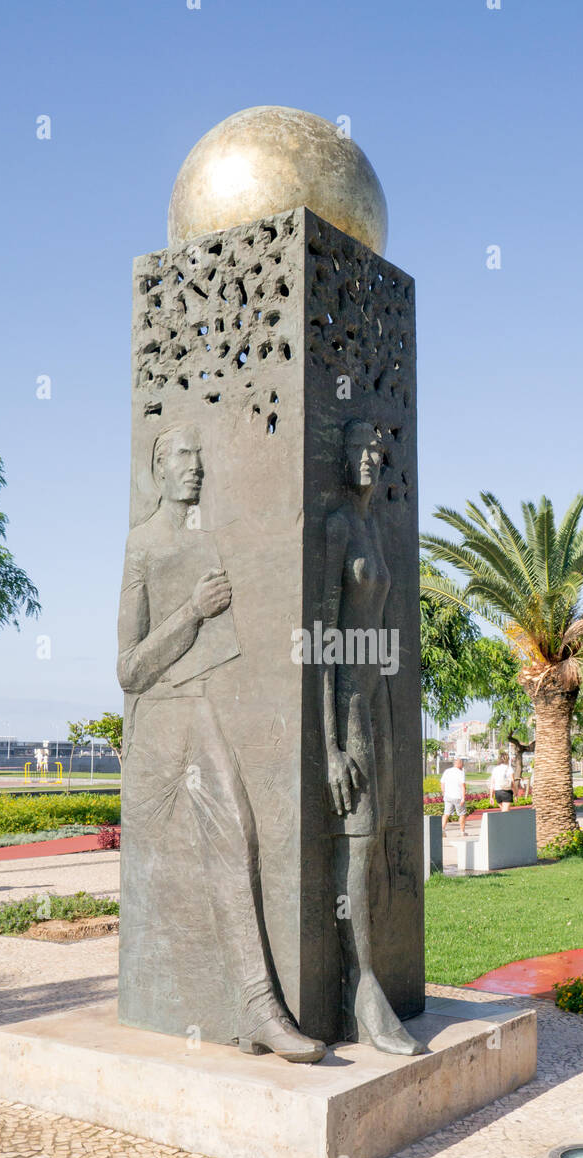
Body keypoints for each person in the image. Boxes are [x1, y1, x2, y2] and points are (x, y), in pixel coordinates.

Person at [118, 422, 325, 1063]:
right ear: (159, 467)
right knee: (230, 841)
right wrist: (192, 612)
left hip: (199, 709)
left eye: (201, 455)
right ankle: (254, 1009)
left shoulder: (209, 538)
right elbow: (128, 668)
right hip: (161, 720)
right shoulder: (144, 546)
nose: (197, 466)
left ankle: (258, 1011)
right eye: (184, 454)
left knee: (238, 839)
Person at [321, 420, 425, 1057]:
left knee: (376, 836)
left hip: (379, 699)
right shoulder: (336, 530)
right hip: (346, 699)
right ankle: (360, 988)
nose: (368, 459)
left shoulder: (375, 531)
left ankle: (370, 981)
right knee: (355, 847)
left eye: (376, 452)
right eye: (358, 449)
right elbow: (320, 642)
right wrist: (329, 746)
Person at [440, 757, 467, 837]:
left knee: (446, 813)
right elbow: (463, 786)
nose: (462, 765)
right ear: (459, 764)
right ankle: (462, 832)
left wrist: (444, 793)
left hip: (448, 796)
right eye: (462, 764)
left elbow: (442, 783)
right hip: (458, 796)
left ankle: (442, 829)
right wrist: (463, 798)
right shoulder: (461, 773)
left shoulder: (447, 771)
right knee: (462, 814)